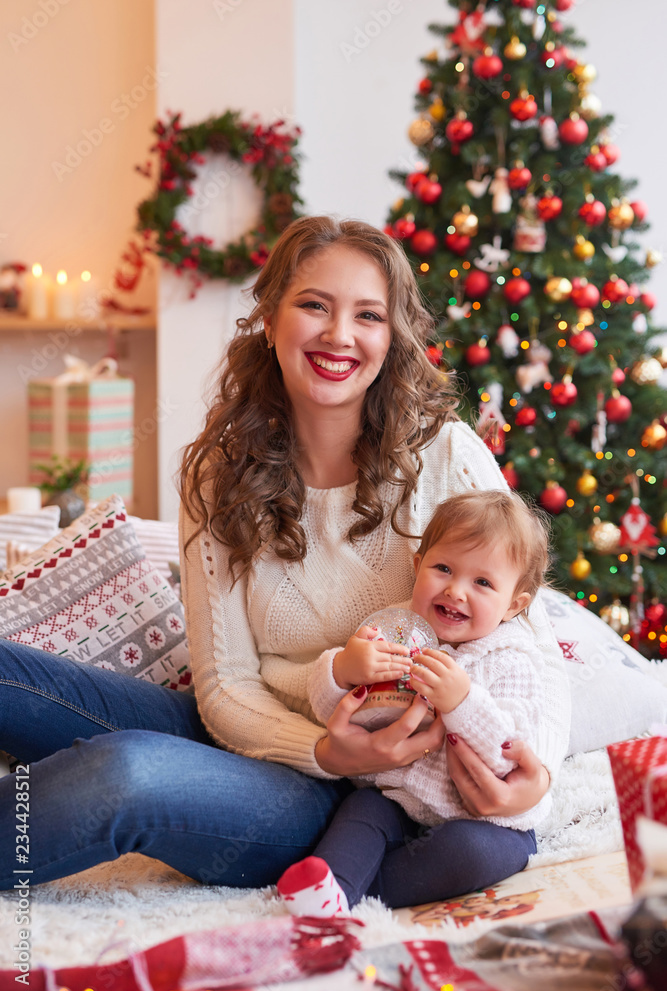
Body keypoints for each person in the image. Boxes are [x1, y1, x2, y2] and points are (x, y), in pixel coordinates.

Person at [0, 216, 570, 905]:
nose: (339, 335)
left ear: (392, 339)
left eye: (368, 315)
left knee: (124, 773)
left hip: (345, 801)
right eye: (314, 306)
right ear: (270, 321)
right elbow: (225, 688)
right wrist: (324, 747)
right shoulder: (218, 473)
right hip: (276, 739)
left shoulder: (446, 456)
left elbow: (534, 647)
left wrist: (535, 781)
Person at [277, 489, 553, 915]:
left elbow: (509, 755)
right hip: (398, 799)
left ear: (513, 605)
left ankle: (358, 894)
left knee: (471, 853)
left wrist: (463, 703)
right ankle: (330, 892)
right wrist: (343, 670)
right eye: (443, 568)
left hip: (481, 820)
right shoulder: (395, 631)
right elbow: (336, 712)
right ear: (417, 566)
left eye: (482, 583)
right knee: (362, 810)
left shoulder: (512, 661)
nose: (456, 591)